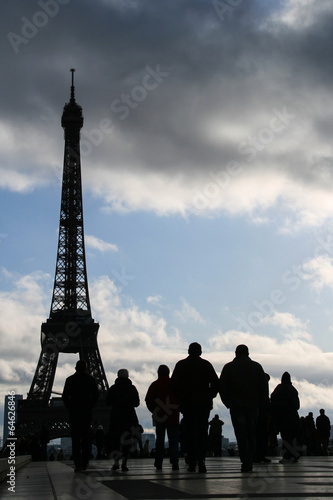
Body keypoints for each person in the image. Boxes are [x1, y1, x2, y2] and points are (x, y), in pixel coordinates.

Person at [219, 344, 268, 473]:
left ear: (236, 353)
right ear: (248, 353)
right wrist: (261, 403)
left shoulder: (229, 367)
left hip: (236, 406)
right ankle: (249, 460)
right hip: (253, 406)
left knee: (241, 434)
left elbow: (222, 387)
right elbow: (264, 387)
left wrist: (228, 403)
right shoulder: (257, 367)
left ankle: (245, 460)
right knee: (251, 433)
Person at [170, 342, 219, 472]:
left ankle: (192, 461)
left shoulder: (181, 365)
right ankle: (201, 460)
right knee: (202, 432)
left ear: (188, 351)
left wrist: (181, 399)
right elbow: (215, 383)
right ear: (200, 352)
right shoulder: (206, 365)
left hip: (187, 405)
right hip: (203, 404)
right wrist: (209, 396)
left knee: (190, 433)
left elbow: (174, 385)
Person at [62, 359, 99, 472]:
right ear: (86, 368)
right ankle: (86, 461)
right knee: (86, 438)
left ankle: (78, 464)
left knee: (76, 439)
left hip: (74, 412)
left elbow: (65, 397)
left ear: (75, 368)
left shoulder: (70, 380)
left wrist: (70, 406)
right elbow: (96, 395)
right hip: (86, 412)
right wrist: (90, 405)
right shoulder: (91, 380)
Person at [145, 364, 180, 470]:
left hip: (160, 416)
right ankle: (174, 461)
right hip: (173, 416)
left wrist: (155, 411)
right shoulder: (174, 384)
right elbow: (180, 398)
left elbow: (149, 400)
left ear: (158, 373)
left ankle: (159, 461)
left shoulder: (155, 385)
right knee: (173, 440)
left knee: (159, 440)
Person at [106, 369, 140, 472]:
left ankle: (116, 463)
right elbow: (136, 403)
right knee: (127, 441)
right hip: (129, 417)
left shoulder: (113, 388)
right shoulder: (132, 388)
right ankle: (124, 464)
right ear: (128, 376)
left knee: (115, 441)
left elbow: (108, 402)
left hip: (116, 417)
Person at [270, 372, 301, 463]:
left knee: (286, 437)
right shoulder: (293, 390)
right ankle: (293, 455)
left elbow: (273, 399)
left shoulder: (280, 388)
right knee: (292, 437)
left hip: (283, 417)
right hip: (293, 417)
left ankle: (287, 456)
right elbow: (297, 406)